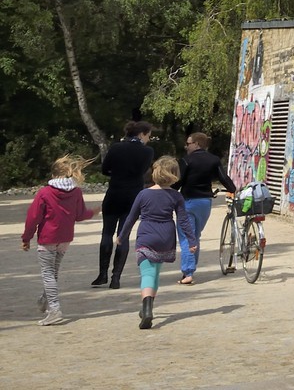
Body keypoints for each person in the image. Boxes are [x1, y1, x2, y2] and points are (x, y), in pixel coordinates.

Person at [117, 155, 197, 330]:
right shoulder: (176, 196)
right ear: (174, 174)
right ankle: (148, 307)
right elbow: (183, 220)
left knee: (147, 273)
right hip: (165, 236)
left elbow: (131, 218)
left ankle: (147, 309)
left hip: (147, 235)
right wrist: (192, 240)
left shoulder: (143, 194)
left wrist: (122, 236)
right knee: (155, 273)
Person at [20, 155, 99, 326]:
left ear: (53, 174)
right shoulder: (76, 192)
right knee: (53, 272)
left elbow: (33, 218)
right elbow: (80, 215)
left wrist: (26, 238)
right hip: (65, 238)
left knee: (48, 273)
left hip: (48, 238)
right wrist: (93, 212)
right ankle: (45, 299)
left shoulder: (45, 193)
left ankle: (54, 309)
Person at [95, 120, 154, 288]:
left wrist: (117, 172)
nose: (148, 139)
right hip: (133, 195)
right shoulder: (147, 151)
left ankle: (102, 274)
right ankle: (116, 277)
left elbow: (105, 169)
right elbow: (142, 171)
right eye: (148, 136)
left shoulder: (116, 148)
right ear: (142, 134)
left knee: (107, 233)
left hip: (114, 192)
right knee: (123, 235)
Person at [175, 132, 236, 284]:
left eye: (188, 143)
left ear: (197, 144)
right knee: (195, 235)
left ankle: (188, 272)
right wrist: (233, 189)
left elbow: (179, 181)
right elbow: (223, 177)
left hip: (188, 202)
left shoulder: (186, 160)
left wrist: (166, 192)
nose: (186, 147)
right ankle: (191, 268)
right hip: (204, 203)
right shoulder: (214, 159)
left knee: (186, 236)